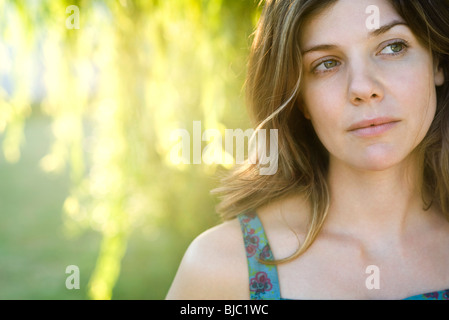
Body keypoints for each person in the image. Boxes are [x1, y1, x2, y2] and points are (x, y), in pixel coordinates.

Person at [166, 0, 449, 300]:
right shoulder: (220, 268)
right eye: (326, 63)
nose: (363, 88)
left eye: (393, 47)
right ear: (300, 98)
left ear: (437, 63)